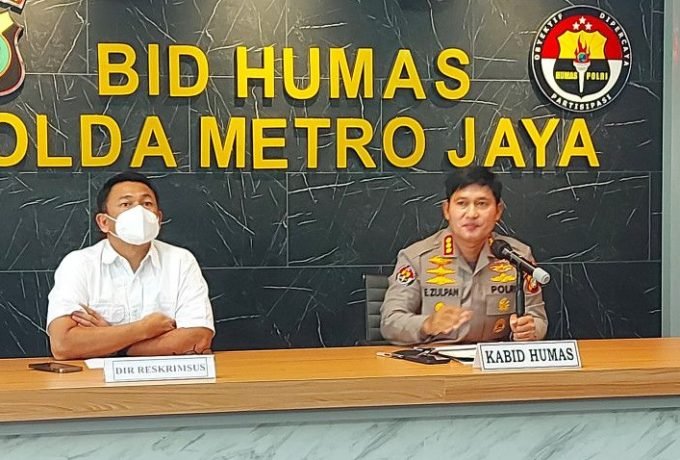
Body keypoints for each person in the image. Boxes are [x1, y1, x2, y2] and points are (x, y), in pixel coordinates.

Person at [47, 171, 215, 360]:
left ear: (158, 219)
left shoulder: (181, 261)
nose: (139, 211)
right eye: (126, 204)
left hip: (169, 378)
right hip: (96, 378)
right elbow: (63, 344)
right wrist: (144, 329)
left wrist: (114, 344)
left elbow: (198, 339)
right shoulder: (78, 264)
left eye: (147, 203)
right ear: (104, 222)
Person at [380, 166, 548, 345]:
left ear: (498, 211)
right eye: (462, 203)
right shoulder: (416, 258)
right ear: (446, 210)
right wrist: (427, 324)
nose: (472, 214)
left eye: (482, 204)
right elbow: (390, 322)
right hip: (435, 357)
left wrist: (529, 331)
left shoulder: (517, 257)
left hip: (494, 357)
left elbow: (538, 318)